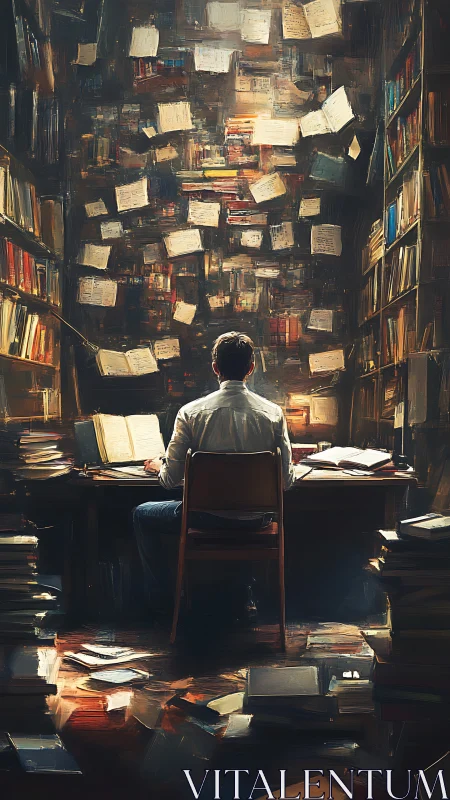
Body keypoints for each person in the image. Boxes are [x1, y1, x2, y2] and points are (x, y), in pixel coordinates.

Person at [133, 331, 295, 615]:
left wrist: (160, 466)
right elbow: (286, 480)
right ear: (251, 368)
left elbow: (169, 480)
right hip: (255, 522)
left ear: (215, 368)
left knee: (141, 513)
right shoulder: (272, 414)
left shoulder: (190, 413)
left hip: (204, 519)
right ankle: (249, 597)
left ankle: (162, 605)